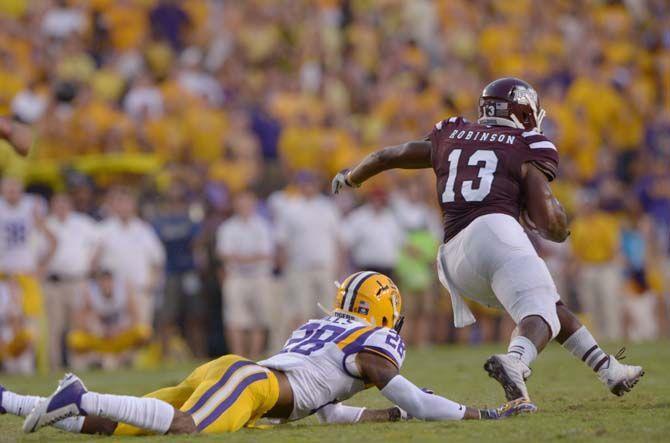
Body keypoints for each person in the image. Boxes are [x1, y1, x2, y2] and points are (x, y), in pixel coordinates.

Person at [332, 77, 644, 401]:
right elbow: (550, 222)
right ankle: (517, 362)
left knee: (546, 304)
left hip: (454, 261)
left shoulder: (452, 133)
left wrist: (351, 176)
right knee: (540, 308)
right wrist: (561, 228)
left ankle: (607, 369)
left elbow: (388, 156)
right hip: (494, 231)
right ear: (522, 112)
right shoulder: (524, 144)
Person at [10, 271, 534, 437]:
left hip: (242, 376)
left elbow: (325, 405)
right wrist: (479, 411)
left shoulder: (324, 328)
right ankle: (79, 394)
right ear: (384, 311)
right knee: (187, 427)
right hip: (253, 384)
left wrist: (386, 411)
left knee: (130, 425)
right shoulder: (375, 344)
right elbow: (419, 403)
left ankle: (13, 400)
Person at [42, 193, 100, 371]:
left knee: (77, 324)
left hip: (76, 280)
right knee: (55, 326)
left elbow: (99, 241)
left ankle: (78, 365)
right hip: (54, 282)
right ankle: (54, 365)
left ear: (70, 205)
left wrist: (91, 263)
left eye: (64, 204)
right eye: (57, 204)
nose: (60, 208)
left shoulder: (82, 222)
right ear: (52, 207)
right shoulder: (47, 224)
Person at [216, 190, 274, 359]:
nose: (244, 206)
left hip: (259, 276)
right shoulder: (228, 227)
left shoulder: (262, 226)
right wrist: (251, 258)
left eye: (247, 202)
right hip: (236, 277)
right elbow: (224, 254)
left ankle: (254, 357)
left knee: (260, 318)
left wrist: (240, 258)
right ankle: (237, 356)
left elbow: (266, 254)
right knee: (235, 319)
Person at [97, 187, 165, 329]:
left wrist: (151, 284)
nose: (123, 207)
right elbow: (94, 262)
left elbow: (157, 260)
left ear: (133, 205)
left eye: (127, 203)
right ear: (113, 205)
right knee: (116, 335)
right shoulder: (103, 230)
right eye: (120, 203)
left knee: (141, 333)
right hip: (114, 295)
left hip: (140, 291)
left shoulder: (144, 229)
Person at [66, 269, 149, 371]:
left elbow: (136, 317)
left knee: (143, 332)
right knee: (74, 339)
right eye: (103, 282)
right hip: (101, 338)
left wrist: (120, 329)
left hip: (119, 337)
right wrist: (95, 329)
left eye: (108, 281)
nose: (106, 285)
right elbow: (79, 320)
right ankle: (95, 359)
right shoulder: (90, 293)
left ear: (113, 282)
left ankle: (127, 357)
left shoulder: (123, 292)